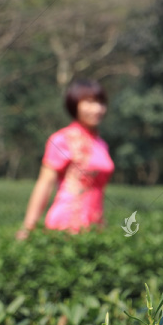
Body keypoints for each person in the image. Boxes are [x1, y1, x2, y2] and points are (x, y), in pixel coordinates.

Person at [16, 80, 114, 240]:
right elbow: (45, 184)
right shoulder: (62, 139)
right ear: (74, 105)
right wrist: (28, 226)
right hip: (67, 223)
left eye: (101, 103)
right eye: (89, 102)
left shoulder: (101, 144)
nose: (97, 109)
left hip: (94, 225)